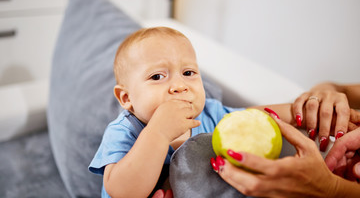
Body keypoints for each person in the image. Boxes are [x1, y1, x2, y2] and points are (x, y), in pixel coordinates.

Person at [88, 27, 343, 197]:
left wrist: (306, 109)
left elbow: (254, 117)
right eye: (157, 76)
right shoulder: (125, 131)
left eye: (188, 73)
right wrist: (158, 132)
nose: (179, 86)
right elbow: (123, 190)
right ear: (126, 98)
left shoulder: (210, 113)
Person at [211, 83, 360, 197]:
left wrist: (336, 189)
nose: (186, 88)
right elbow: (341, 89)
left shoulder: (213, 113)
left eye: (190, 73)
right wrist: (322, 97)